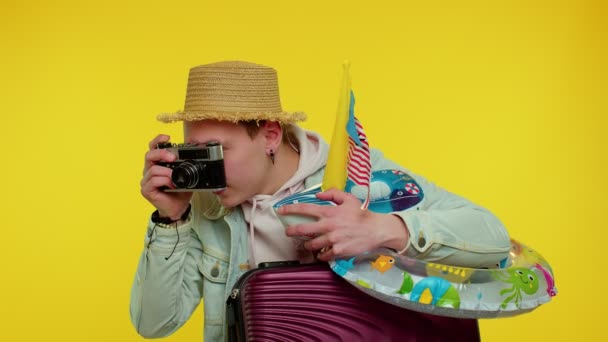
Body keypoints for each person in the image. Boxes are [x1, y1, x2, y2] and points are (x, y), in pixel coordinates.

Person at [130, 61, 510, 341]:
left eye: (217, 151)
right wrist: (171, 219)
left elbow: (495, 240)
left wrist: (383, 228)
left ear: (270, 136)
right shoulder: (207, 208)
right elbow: (155, 324)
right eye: (195, 153)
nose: (206, 171)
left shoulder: (361, 178)